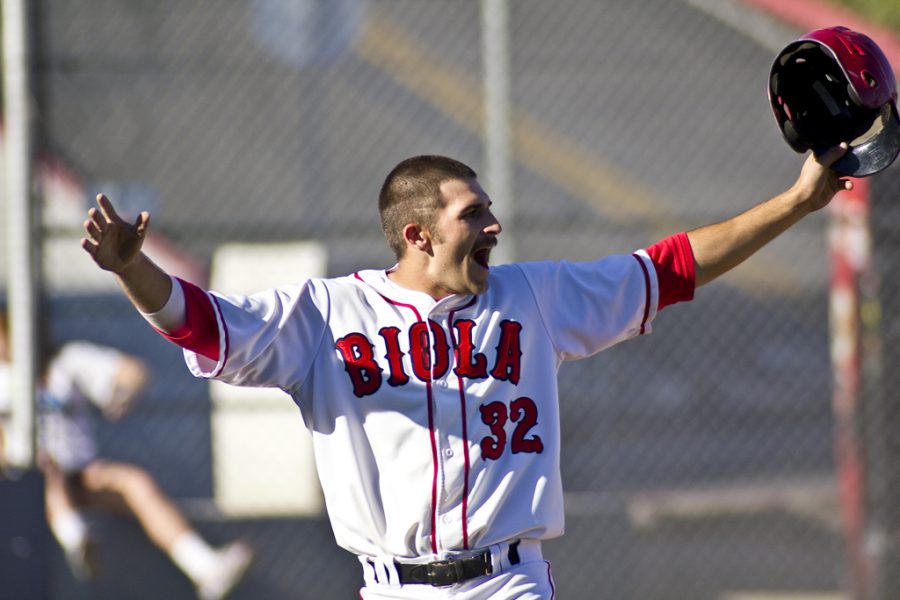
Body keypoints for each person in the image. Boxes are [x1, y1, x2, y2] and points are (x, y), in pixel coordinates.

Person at [81, 143, 852, 599]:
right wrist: (132, 270)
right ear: (416, 234)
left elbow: (671, 269)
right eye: (472, 215)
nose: (493, 225)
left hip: (509, 580)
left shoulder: (534, 297)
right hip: (395, 585)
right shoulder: (325, 317)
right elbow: (204, 323)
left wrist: (795, 202)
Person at [0, 311, 253, 600]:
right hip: (27, 480)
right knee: (44, 468)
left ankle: (205, 567)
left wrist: (121, 395)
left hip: (84, 475)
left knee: (134, 481)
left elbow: (134, 372)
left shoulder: (67, 361)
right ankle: (77, 540)